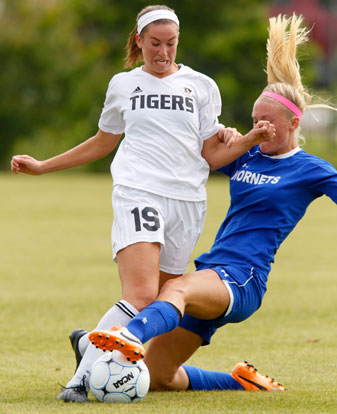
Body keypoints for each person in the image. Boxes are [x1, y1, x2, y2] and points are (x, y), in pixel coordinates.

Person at [11, 5, 271, 402]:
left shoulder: (202, 86)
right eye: (154, 44)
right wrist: (45, 166)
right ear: (139, 41)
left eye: (170, 43)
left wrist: (249, 139)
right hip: (138, 191)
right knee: (141, 295)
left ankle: (91, 347)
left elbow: (212, 156)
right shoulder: (122, 84)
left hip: (187, 204)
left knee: (164, 302)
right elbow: (102, 142)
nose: (163, 52)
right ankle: (80, 381)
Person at [87, 13, 337, 394]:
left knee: (176, 288)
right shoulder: (249, 155)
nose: (260, 127)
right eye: (255, 120)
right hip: (213, 274)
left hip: (244, 279)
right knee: (158, 378)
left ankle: (128, 336)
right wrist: (228, 136)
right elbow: (200, 154)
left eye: (268, 122)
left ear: (292, 125)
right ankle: (245, 384)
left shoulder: (310, 169)